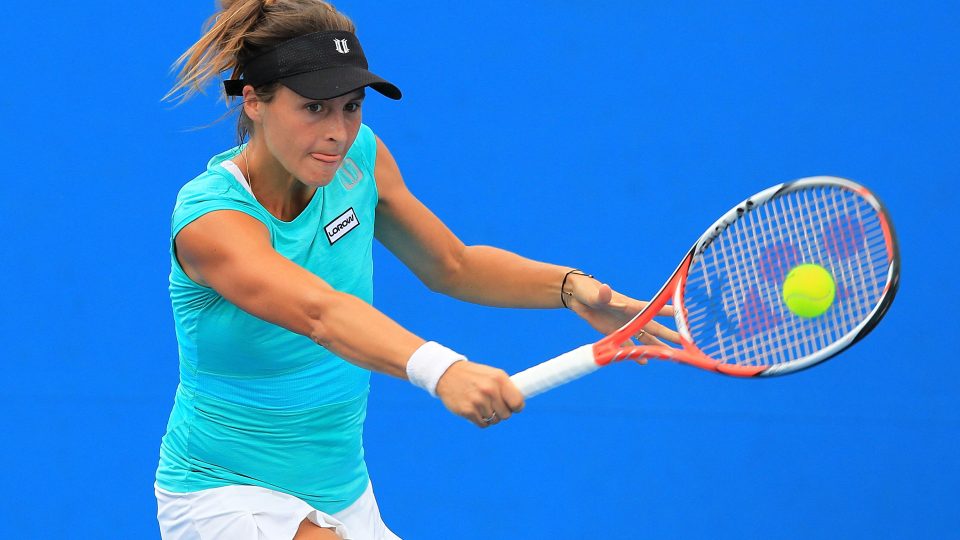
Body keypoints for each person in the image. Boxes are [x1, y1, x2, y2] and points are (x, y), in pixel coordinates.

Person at [155, 1, 679, 538]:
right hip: (224, 491)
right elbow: (319, 313)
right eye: (314, 108)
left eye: (351, 107)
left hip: (342, 491)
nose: (338, 131)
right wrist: (442, 369)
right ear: (254, 101)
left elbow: (453, 265)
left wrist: (569, 289)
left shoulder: (359, 159)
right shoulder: (211, 219)